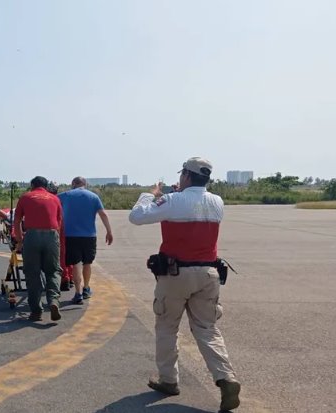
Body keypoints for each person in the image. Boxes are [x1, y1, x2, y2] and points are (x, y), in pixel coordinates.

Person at [128, 157, 241, 412]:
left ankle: (169, 380)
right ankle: (226, 378)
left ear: (186, 176)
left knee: (167, 327)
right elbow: (194, 205)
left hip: (175, 274)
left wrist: (151, 194)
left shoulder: (172, 200)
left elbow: (136, 217)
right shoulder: (217, 202)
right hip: (208, 273)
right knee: (207, 329)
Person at [13, 176, 64, 322]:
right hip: (52, 235)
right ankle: (54, 301)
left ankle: (36, 311)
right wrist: (55, 240)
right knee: (53, 271)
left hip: (32, 235)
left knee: (32, 273)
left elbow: (17, 221)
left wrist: (20, 241)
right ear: (46, 186)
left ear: (32, 185)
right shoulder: (54, 198)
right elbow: (59, 221)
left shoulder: (25, 197)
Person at [58, 177, 114, 304]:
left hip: (70, 236)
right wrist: (109, 231)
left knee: (76, 263)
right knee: (87, 263)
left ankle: (77, 293)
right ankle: (86, 288)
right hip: (89, 236)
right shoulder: (93, 197)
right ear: (85, 184)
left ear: (73, 184)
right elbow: (103, 214)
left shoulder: (64, 195)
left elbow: (52, 204)